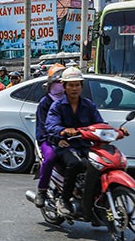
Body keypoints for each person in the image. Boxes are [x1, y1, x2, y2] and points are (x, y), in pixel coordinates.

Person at [45, 67, 107, 217]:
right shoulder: (57, 106)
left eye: (77, 85)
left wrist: (115, 131)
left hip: (85, 145)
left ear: (81, 86)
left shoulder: (88, 105)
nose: (74, 88)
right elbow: (50, 126)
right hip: (64, 146)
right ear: (64, 87)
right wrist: (64, 131)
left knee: (101, 164)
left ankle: (96, 201)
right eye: (71, 85)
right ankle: (64, 200)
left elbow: (100, 123)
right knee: (75, 164)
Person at [33, 64, 65, 207]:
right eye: (57, 82)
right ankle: (42, 190)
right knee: (50, 157)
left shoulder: (73, 100)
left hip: (69, 140)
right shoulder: (45, 103)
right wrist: (57, 139)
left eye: (62, 83)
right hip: (48, 140)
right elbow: (43, 129)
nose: (60, 86)